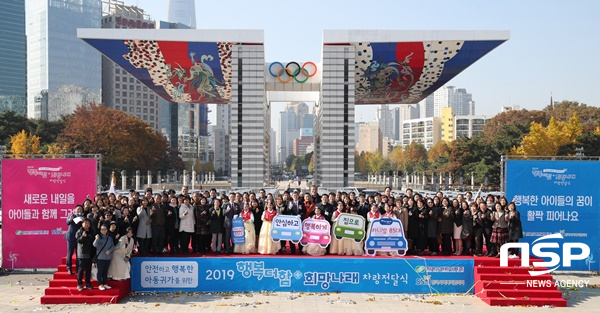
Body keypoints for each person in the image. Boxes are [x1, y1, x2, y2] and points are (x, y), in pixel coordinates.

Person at [93, 225, 115, 291]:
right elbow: (95, 245)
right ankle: (100, 284)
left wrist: (110, 251)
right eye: (102, 229)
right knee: (100, 271)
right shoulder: (98, 237)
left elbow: (113, 246)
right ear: (100, 230)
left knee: (105, 271)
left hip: (108, 257)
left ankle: (105, 283)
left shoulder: (110, 238)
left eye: (105, 229)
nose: (104, 231)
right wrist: (96, 239)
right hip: (101, 257)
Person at [75, 218, 94, 291]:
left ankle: (88, 283)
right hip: (82, 254)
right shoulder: (80, 231)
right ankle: (79, 284)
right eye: (85, 223)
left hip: (90, 253)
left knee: (88, 270)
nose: (87, 224)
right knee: (81, 270)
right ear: (82, 224)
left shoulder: (91, 231)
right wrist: (83, 236)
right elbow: (78, 241)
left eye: (88, 223)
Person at [65, 205, 84, 275]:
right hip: (71, 237)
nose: (79, 210)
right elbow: (67, 223)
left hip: (79, 238)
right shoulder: (71, 215)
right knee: (70, 253)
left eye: (80, 209)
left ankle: (77, 268)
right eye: (78, 209)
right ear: (74, 210)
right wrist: (70, 219)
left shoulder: (83, 217)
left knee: (78, 254)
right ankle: (69, 268)